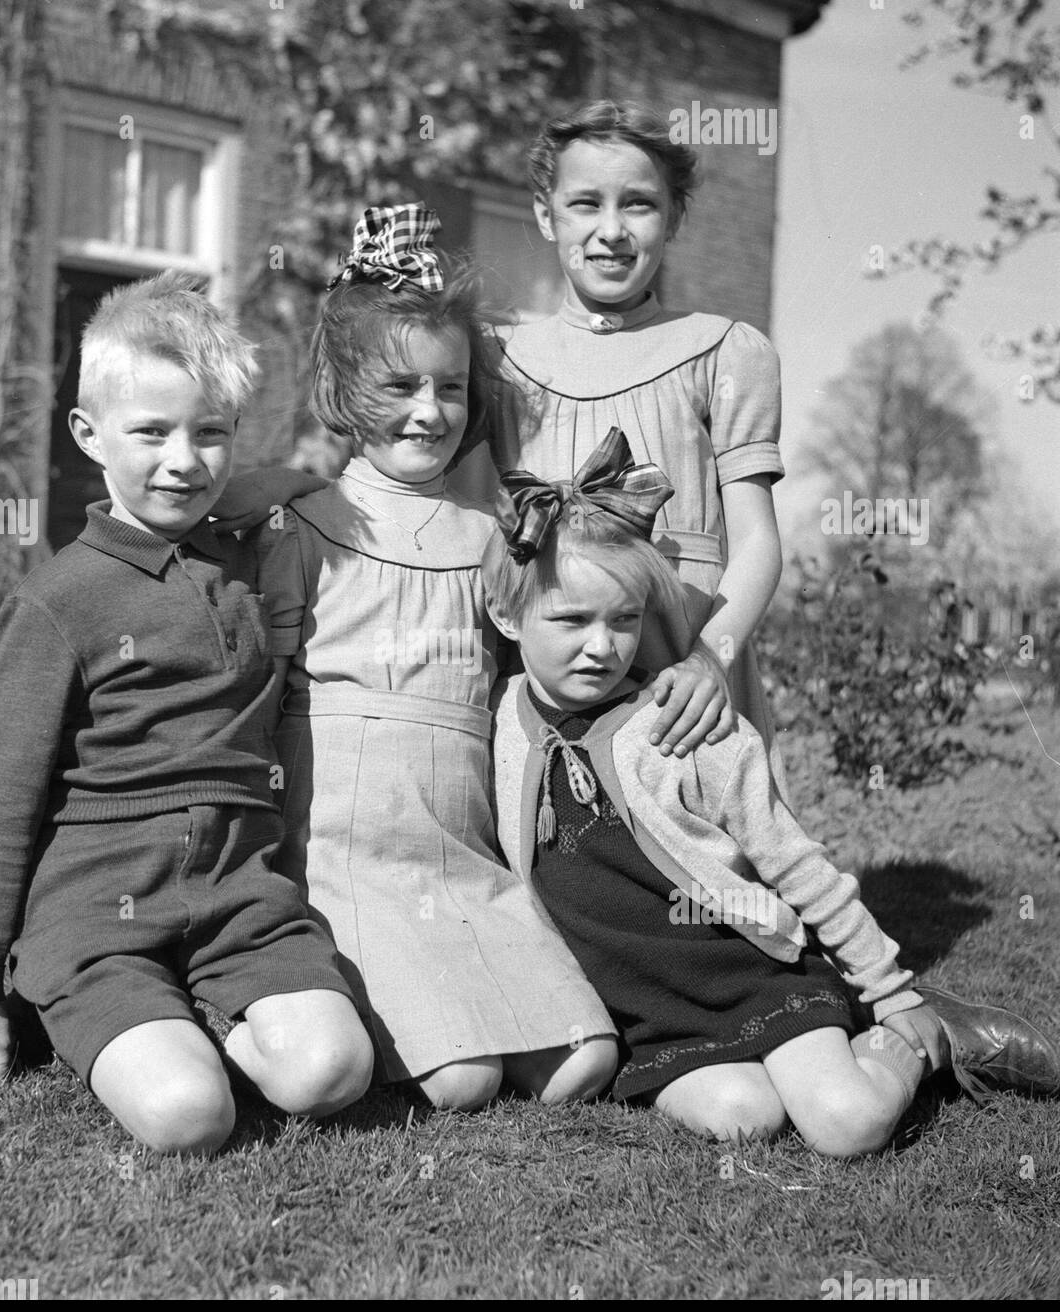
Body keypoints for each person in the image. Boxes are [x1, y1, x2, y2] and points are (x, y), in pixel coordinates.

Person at [483, 437, 1060, 1154]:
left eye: (623, 620)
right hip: (642, 1011)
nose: (602, 646)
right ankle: (807, 1055)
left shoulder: (679, 728)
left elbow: (799, 865)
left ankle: (918, 1037)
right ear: (508, 619)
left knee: (847, 1126)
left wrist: (892, 989)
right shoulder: (497, 725)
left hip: (750, 972)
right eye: (571, 621)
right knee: (741, 1116)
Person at [0, 270, 372, 1154]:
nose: (184, 461)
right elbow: (4, 805)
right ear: (87, 435)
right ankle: (103, 1014)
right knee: (190, 1118)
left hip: (241, 904)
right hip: (98, 915)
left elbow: (299, 481)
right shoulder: (61, 600)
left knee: (334, 1071)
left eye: (211, 434)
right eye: (151, 433)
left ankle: (203, 1016)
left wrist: (260, 484)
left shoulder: (251, 562)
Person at [253, 205, 617, 1110]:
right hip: (351, 856)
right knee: (462, 1080)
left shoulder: (495, 539)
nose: (429, 410)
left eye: (450, 388)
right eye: (401, 385)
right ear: (342, 391)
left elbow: (538, 666)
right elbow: (257, 700)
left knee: (582, 1062)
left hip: (462, 851)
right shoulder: (306, 529)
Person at [479, 99, 786, 779]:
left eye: (639, 205)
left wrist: (712, 659)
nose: (611, 231)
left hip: (687, 677)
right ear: (544, 213)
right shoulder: (500, 364)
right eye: (585, 204)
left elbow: (758, 540)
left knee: (708, 853)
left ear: (674, 215)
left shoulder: (723, 351)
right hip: (553, 677)